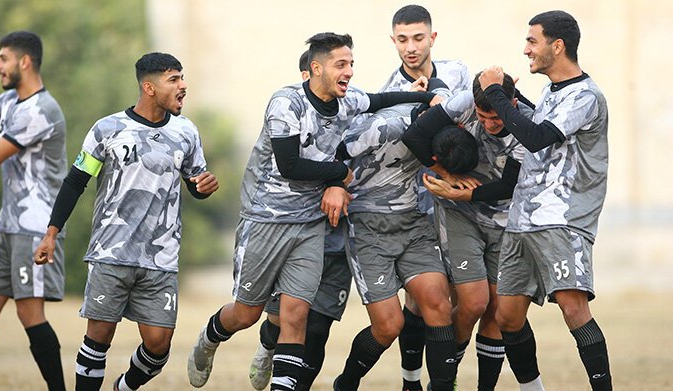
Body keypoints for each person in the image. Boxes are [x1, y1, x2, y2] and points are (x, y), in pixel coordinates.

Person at [187, 32, 441, 391]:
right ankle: (210, 338)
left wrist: (428, 96)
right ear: (315, 68)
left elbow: (380, 99)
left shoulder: (346, 99)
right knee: (246, 314)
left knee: (296, 316)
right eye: (341, 64)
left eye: (351, 64)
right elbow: (290, 165)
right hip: (266, 220)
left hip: (309, 225)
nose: (349, 71)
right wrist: (339, 173)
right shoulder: (285, 104)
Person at [34, 52, 219, 391]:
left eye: (182, 78)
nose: (183, 86)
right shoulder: (107, 129)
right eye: (173, 79)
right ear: (149, 87)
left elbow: (196, 184)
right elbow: (76, 181)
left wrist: (204, 187)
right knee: (99, 337)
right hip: (111, 252)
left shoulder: (186, 132)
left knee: (158, 345)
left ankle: (123, 387)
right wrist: (51, 232)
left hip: (161, 257)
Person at [478, 10, 612, 391]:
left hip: (561, 220)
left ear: (558, 45)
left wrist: (496, 95)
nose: (525, 50)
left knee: (573, 308)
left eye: (532, 41)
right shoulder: (552, 93)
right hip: (523, 220)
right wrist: (510, 95)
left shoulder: (586, 96)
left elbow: (537, 137)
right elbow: (535, 123)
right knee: (507, 316)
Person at [333, 75, 479, 391]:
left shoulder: (444, 113)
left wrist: (433, 89)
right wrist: (333, 186)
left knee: (438, 304)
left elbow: (440, 87)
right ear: (433, 157)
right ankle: (346, 383)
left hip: (413, 224)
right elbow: (335, 153)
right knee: (389, 326)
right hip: (369, 227)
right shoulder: (382, 128)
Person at [403, 73, 533, 391]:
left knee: (496, 311)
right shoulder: (462, 104)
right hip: (460, 215)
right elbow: (415, 136)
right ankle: (444, 377)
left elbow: (507, 185)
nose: (489, 124)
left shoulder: (525, 123)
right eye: (482, 116)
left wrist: (464, 193)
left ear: (511, 105)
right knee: (474, 302)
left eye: (495, 117)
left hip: (503, 220)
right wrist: (445, 174)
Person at [380, 5, 473, 391]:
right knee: (422, 300)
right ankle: (411, 381)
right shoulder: (387, 92)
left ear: (432, 38)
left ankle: (442, 374)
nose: (411, 47)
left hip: (461, 201)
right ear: (393, 41)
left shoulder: (458, 74)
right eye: (402, 39)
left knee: (459, 297)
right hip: (417, 205)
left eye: (418, 38)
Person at [248, 50, 353, 391]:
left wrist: (338, 182)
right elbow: (289, 166)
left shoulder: (346, 109)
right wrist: (337, 174)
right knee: (281, 320)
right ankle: (267, 344)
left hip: (334, 237)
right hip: (292, 230)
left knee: (317, 330)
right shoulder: (286, 114)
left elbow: (349, 154)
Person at [0, 31, 66, 391]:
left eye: (2, 58)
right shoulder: (11, 100)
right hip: (8, 226)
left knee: (29, 313)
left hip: (35, 228)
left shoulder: (41, 110)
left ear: (23, 62)